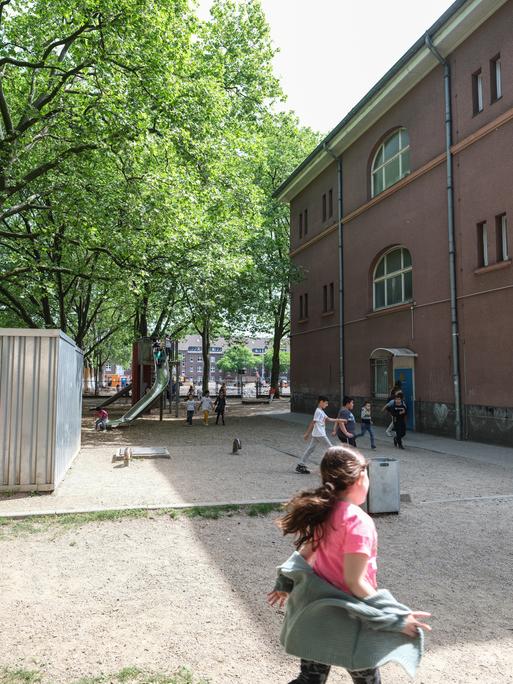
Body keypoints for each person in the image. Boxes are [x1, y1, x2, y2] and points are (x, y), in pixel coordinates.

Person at [268, 446, 431, 684]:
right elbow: (355, 582)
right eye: (366, 472)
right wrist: (395, 616)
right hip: (350, 618)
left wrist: (284, 582)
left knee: (310, 679)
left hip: (319, 613)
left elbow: (304, 554)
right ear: (357, 478)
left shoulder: (325, 512)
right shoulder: (358, 522)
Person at [296, 396, 349, 475]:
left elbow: (329, 419)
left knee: (310, 449)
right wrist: (307, 434)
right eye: (326, 403)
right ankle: (338, 467)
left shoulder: (321, 411)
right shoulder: (318, 411)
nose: (327, 405)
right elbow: (313, 423)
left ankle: (300, 465)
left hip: (317, 434)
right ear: (321, 402)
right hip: (320, 434)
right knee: (331, 448)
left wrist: (341, 420)